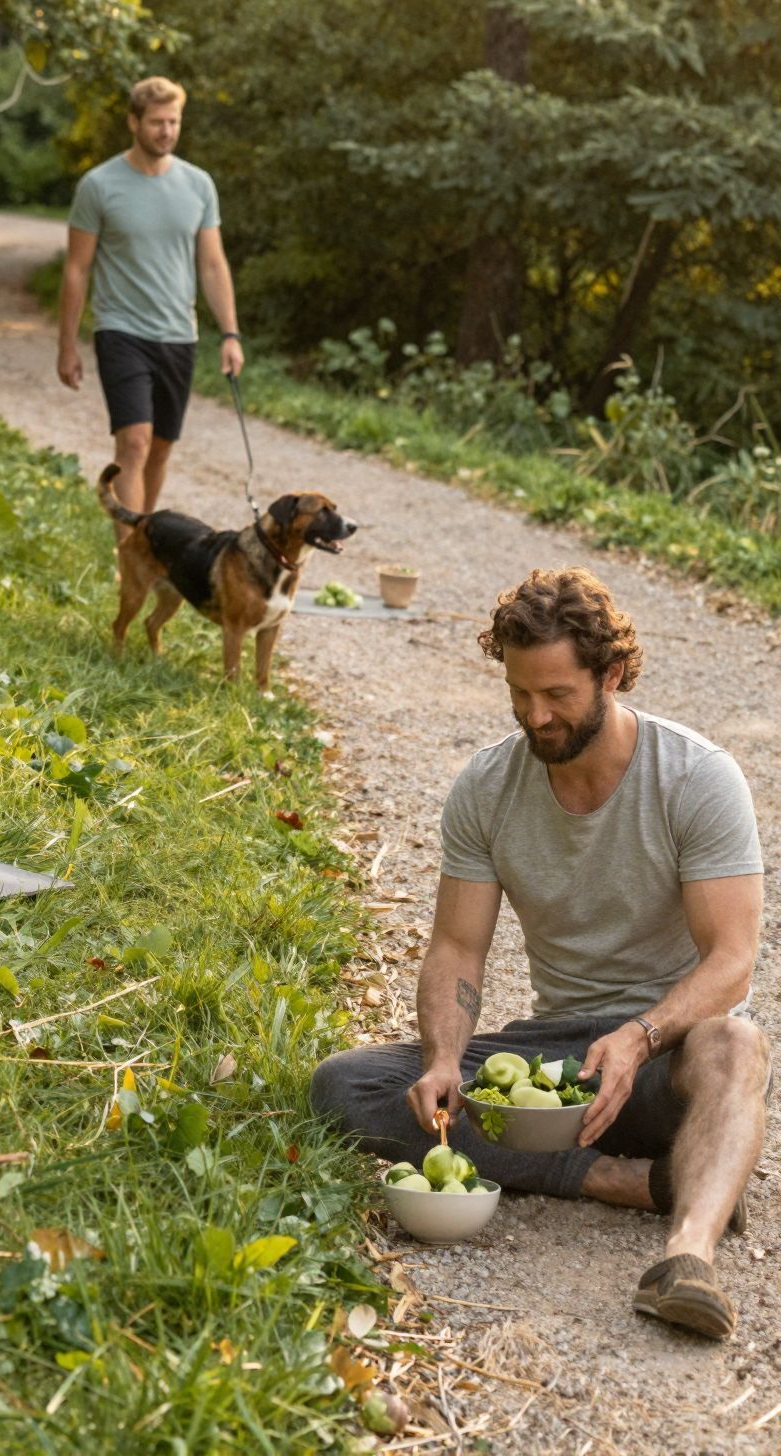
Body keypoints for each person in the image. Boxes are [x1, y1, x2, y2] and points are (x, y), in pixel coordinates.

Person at [310, 567, 768, 1342]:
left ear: (611, 674)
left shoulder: (696, 777)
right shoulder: (487, 786)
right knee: (343, 1086)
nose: (536, 715)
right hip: (558, 1063)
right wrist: (445, 1060)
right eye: (520, 693)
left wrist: (642, 1035)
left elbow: (733, 962)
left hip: (665, 1054)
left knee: (739, 1042)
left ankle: (688, 1256)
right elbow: (458, 945)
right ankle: (634, 1183)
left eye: (556, 694)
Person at [56, 75, 243, 516]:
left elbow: (213, 265)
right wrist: (67, 345)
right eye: (157, 122)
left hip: (179, 334)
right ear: (133, 122)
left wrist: (230, 333)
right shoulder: (99, 185)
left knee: (159, 449)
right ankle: (132, 561)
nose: (167, 131)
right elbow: (77, 268)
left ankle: (146, 546)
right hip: (121, 330)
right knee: (134, 443)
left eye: (174, 122)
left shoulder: (199, 185)